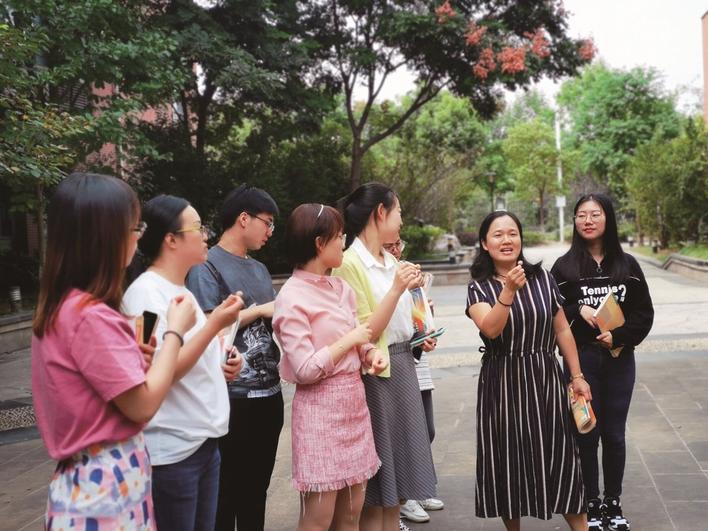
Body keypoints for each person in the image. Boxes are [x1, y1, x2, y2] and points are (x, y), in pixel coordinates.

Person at [31, 172, 196, 529]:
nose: (138, 238)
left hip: (94, 484)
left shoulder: (65, 307)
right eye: (134, 228)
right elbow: (143, 403)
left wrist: (135, 358)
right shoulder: (89, 316)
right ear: (106, 237)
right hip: (103, 488)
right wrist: (175, 334)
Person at [123, 194, 244, 531]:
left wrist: (225, 361)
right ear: (171, 239)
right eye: (197, 227)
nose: (205, 234)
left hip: (202, 443)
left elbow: (188, 357)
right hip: (172, 451)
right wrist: (214, 326)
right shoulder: (144, 296)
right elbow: (154, 373)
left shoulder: (182, 290)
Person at [465, 210, 591, 531]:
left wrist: (576, 377)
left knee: (561, 456)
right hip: (503, 381)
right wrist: (507, 291)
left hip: (545, 377)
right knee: (509, 458)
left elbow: (562, 331)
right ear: (484, 243)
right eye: (498, 234)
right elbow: (491, 329)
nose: (507, 240)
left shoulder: (543, 278)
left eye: (513, 233)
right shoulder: (479, 288)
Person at [273, 203, 387, 530]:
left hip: (354, 405)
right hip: (319, 413)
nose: (344, 243)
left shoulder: (341, 288)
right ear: (319, 243)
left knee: (352, 513)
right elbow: (306, 370)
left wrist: (369, 354)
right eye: (339, 237)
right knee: (318, 519)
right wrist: (351, 340)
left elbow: (358, 338)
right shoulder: (292, 297)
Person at [332, 183, 437, 531]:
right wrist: (397, 288)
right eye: (399, 212)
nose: (402, 220)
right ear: (380, 212)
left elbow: (400, 322)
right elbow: (364, 330)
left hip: (403, 366)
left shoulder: (391, 260)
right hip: (375, 376)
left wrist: (422, 330)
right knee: (377, 492)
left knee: (400, 489)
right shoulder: (349, 264)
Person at [551, 193, 654, 531]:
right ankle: (590, 503)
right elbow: (549, 311)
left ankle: (613, 502)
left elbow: (643, 313)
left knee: (614, 434)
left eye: (595, 214)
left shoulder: (628, 266)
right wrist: (575, 309)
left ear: (608, 219)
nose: (588, 220)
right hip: (582, 364)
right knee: (585, 431)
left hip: (619, 361)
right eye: (581, 215)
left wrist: (620, 337)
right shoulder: (564, 268)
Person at [186, 184, 283, 531]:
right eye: (267, 223)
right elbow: (207, 327)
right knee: (225, 495)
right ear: (244, 218)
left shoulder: (258, 268)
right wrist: (259, 311)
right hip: (231, 398)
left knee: (257, 491)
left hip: (269, 395)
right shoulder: (205, 266)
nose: (270, 232)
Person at [383, 238, 444, 526]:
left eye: (399, 244)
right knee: (399, 436)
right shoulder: (379, 274)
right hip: (393, 362)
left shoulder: (406, 272)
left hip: (417, 363)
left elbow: (416, 320)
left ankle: (418, 489)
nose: (397, 250)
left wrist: (424, 315)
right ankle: (404, 500)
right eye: (390, 244)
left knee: (424, 430)